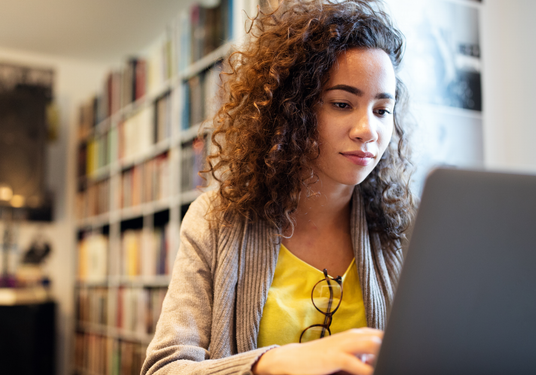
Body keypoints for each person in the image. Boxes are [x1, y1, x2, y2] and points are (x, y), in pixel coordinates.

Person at [142, 0, 416, 374]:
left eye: (382, 110)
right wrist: (271, 364)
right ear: (292, 109)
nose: (368, 130)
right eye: (341, 103)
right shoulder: (215, 220)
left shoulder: (405, 228)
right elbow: (164, 368)